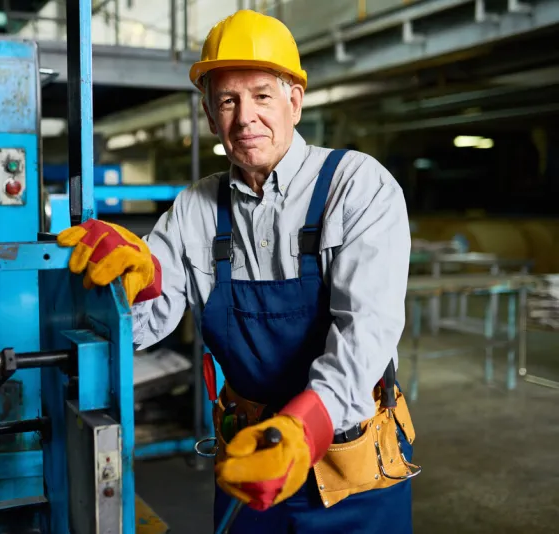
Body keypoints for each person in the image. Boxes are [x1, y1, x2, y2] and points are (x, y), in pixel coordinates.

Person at [57, 9, 419, 533]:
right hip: (249, 464)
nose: (245, 116)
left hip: (352, 465)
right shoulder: (196, 209)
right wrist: (128, 288)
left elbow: (367, 334)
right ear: (209, 115)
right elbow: (145, 325)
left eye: (262, 96)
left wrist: (302, 431)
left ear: (295, 101)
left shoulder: (358, 187)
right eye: (227, 100)